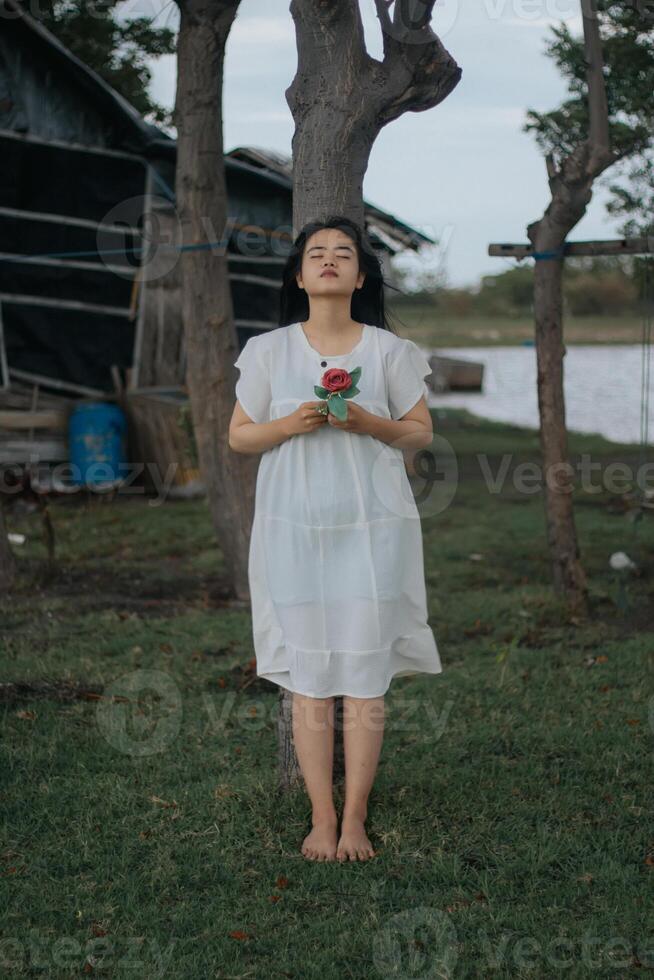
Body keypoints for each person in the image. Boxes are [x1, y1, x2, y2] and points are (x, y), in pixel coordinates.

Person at [228, 215, 443, 863]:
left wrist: (367, 423)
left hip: (372, 530)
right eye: (315, 253)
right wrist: (291, 422)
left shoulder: (388, 353)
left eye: (342, 253)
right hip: (294, 527)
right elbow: (240, 436)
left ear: (360, 275)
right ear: (298, 275)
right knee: (311, 676)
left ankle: (356, 819)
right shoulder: (268, 350)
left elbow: (420, 433)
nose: (328, 261)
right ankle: (320, 817)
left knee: (365, 672)